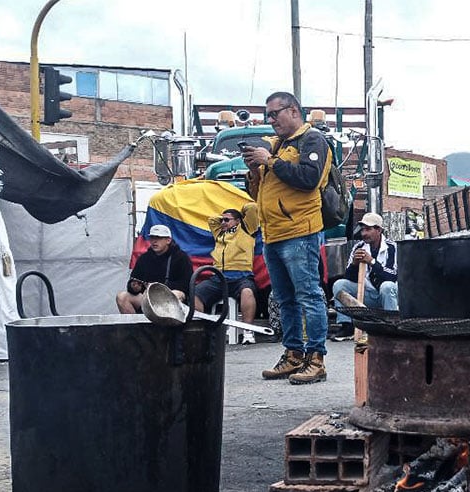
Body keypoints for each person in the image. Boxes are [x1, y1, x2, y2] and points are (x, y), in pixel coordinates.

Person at [243, 91, 333, 385]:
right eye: (268, 115)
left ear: (293, 110)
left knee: (308, 295)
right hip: (272, 234)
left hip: (300, 232)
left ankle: (316, 358)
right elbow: (259, 195)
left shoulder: (313, 140)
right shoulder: (277, 145)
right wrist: (254, 172)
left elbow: (308, 179)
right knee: (284, 298)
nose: (271, 121)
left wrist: (269, 161)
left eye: (274, 114)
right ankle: (293, 354)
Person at [194, 205, 260, 344]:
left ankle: (248, 332)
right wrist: (225, 219)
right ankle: (202, 331)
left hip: (241, 276)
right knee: (195, 293)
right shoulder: (219, 233)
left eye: (227, 220)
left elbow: (252, 207)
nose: (223, 222)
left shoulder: (247, 230)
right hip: (218, 277)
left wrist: (239, 214)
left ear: (238, 221)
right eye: (222, 220)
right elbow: (212, 220)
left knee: (247, 292)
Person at [331, 212, 399, 341]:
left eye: (368, 229)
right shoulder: (359, 247)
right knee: (339, 285)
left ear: (379, 230)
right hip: (369, 295)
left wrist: (372, 261)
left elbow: (392, 276)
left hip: (388, 295)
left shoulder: (392, 248)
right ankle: (347, 326)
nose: (364, 234)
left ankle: (391, 327)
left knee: (387, 286)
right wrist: (354, 264)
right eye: (362, 230)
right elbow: (348, 277)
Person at [116, 225, 193, 314]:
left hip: (170, 298)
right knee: (122, 297)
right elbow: (133, 280)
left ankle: (168, 326)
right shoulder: (144, 258)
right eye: (152, 238)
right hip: (147, 299)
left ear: (168, 240)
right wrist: (134, 287)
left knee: (176, 294)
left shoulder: (181, 258)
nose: (154, 241)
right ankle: (135, 327)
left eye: (159, 238)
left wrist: (158, 287)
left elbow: (186, 284)